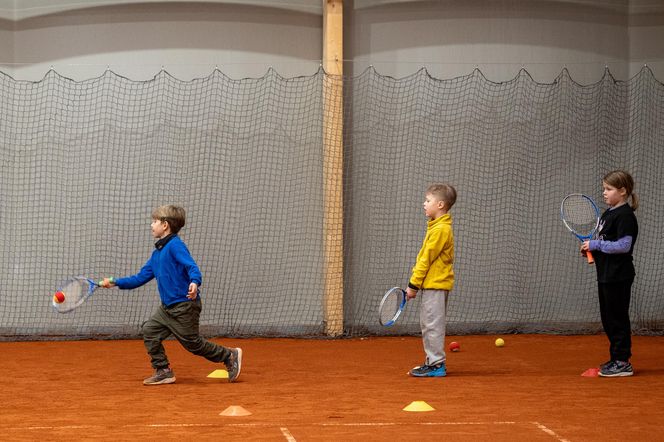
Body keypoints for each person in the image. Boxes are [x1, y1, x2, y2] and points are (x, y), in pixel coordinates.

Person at [101, 205, 242, 385]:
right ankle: (163, 370)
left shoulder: (175, 245)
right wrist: (115, 282)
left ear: (165, 225)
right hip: (167, 309)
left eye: (154, 221)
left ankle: (229, 355)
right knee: (150, 331)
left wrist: (194, 282)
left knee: (193, 344)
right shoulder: (157, 255)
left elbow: (192, 267)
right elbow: (139, 278)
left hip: (184, 305)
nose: (151, 225)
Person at [581, 170, 638, 377]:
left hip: (619, 276)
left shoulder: (625, 216)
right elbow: (606, 243)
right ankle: (616, 358)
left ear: (622, 191)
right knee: (608, 318)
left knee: (617, 318)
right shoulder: (607, 214)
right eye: (604, 188)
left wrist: (596, 244)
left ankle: (623, 362)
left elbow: (624, 245)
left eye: (609, 189)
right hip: (605, 274)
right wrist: (592, 250)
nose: (604, 193)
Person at [406, 183, 457, 377]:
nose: (424, 204)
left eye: (428, 201)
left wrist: (413, 285)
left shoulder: (440, 230)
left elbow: (425, 260)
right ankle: (432, 361)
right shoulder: (436, 228)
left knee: (433, 325)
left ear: (441, 205)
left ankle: (437, 365)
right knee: (428, 324)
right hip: (431, 285)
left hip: (435, 286)